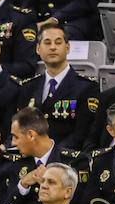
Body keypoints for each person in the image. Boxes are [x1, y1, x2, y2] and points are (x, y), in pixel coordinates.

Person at [14, 22, 100, 156]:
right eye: (47, 43)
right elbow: (20, 127)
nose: (53, 47)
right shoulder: (28, 87)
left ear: (67, 47)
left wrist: (49, 155)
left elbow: (82, 134)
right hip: (30, 158)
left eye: (58, 42)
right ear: (38, 49)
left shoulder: (87, 87)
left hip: (66, 158)